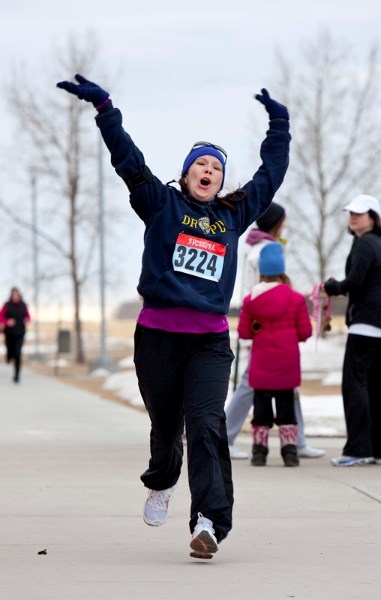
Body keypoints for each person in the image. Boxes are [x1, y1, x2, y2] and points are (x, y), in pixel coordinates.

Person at [57, 74, 291, 559]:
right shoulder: (160, 204)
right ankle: (163, 480)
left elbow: (270, 174)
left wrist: (279, 125)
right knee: (167, 429)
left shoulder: (231, 215)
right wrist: (105, 108)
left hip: (208, 343)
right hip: (157, 339)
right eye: (200, 165)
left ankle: (209, 521)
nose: (208, 171)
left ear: (222, 180)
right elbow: (128, 161)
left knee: (206, 425)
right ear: (186, 174)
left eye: (216, 168)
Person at [226, 203, 325, 460]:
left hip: (259, 326)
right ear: (275, 222)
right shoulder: (268, 250)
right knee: (255, 385)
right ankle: (226, 436)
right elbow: (267, 292)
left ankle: (294, 441)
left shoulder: (257, 247)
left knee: (260, 386)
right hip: (266, 333)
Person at [324, 194, 381, 467]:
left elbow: (354, 282)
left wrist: (333, 287)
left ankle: (358, 449)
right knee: (376, 386)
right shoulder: (373, 243)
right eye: (351, 213)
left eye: (360, 213)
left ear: (373, 218)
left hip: (367, 324)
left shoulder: (366, 243)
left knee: (354, 384)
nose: (353, 217)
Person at [237, 243, 312, 466]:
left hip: (261, 363)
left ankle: (259, 452)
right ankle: (290, 452)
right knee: (286, 407)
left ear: (261, 272)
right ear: (282, 271)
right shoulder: (296, 299)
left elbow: (244, 332)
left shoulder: (251, 302)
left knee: (260, 408)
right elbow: (305, 332)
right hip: (287, 363)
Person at [0, 287, 31, 383]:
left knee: (18, 354)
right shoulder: (7, 305)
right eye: (13, 295)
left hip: (20, 333)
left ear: (19, 295)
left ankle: (17, 375)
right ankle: (10, 357)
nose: (15, 297)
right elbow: (1, 317)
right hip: (9, 333)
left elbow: (28, 316)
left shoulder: (23, 305)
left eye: (17, 295)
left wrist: (26, 319)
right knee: (10, 352)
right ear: (11, 295)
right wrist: (7, 322)